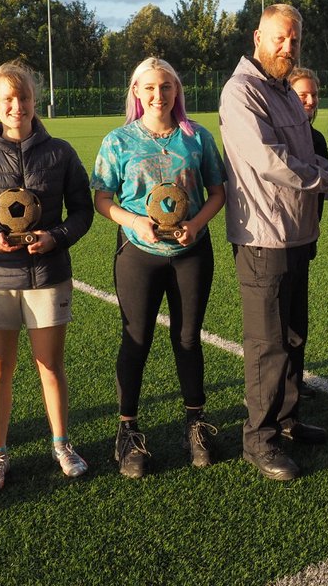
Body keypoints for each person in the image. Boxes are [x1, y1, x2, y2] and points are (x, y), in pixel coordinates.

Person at [0, 60, 94, 495]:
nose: (17, 106)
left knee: (50, 366)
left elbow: (82, 211)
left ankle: (62, 445)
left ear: (34, 100)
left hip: (48, 274)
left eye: (24, 97)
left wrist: (56, 236)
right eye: (7, 99)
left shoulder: (60, 152)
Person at [219, 4, 328, 481]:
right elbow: (270, 160)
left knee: (295, 332)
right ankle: (259, 439)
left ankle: (288, 418)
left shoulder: (284, 92)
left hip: (297, 234)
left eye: (294, 40)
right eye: (279, 38)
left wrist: (324, 176)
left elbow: (301, 152)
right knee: (267, 343)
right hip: (264, 238)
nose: (287, 47)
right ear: (258, 36)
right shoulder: (241, 92)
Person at [92, 57, 226, 478]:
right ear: (136, 92)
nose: (157, 95)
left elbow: (217, 192)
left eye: (165, 87)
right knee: (137, 340)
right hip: (138, 252)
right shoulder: (118, 141)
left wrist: (196, 225)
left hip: (191, 251)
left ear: (176, 91)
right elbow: (102, 198)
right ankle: (128, 431)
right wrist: (135, 223)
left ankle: (196, 424)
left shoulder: (197, 137)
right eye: (148, 87)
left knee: (188, 339)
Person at [288, 66, 326, 399]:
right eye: (302, 95)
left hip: (305, 236)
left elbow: (321, 196)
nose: (310, 101)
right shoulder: (278, 134)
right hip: (272, 238)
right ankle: (266, 390)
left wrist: (314, 232)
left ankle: (294, 383)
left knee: (298, 319)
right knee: (273, 322)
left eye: (313, 94)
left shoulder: (317, 139)